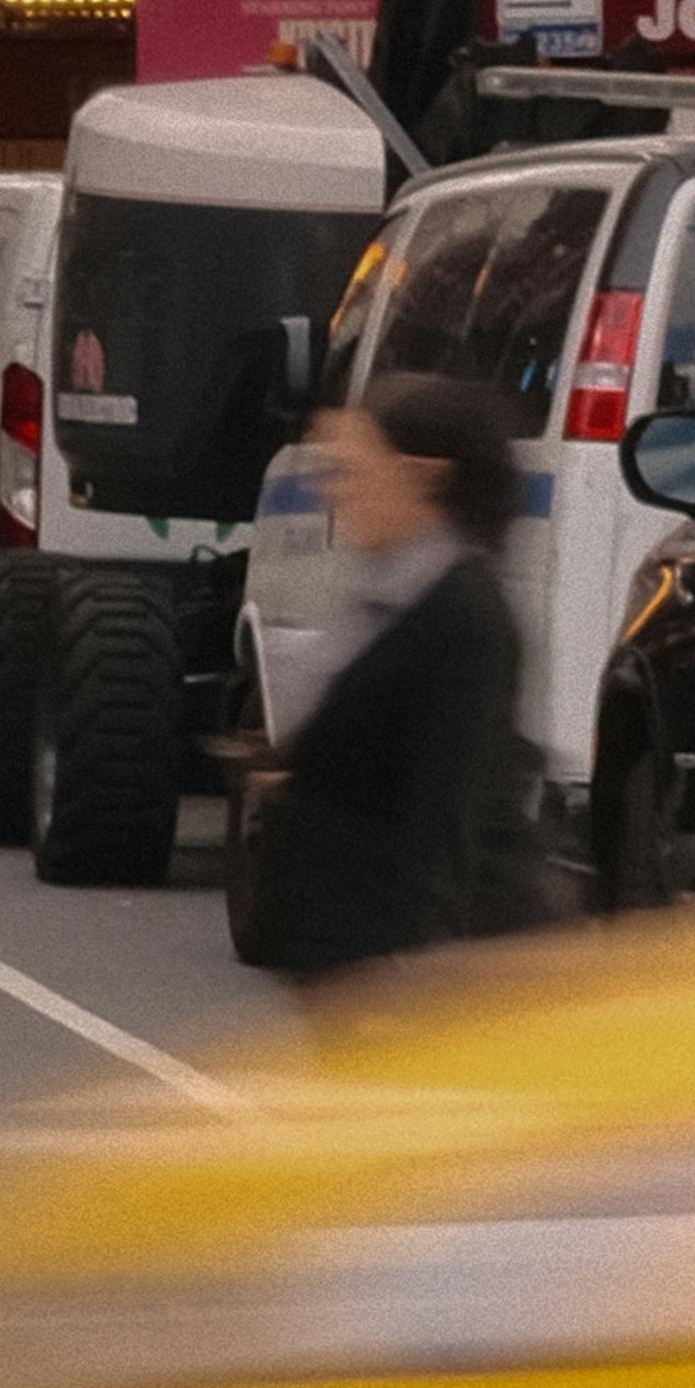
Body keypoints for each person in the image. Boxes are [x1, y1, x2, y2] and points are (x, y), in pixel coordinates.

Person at [242, 373, 534, 983]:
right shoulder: (386, 588)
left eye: (352, 470)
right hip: (344, 956)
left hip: (396, 977)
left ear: (423, 475)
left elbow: (447, 811)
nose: (330, 492)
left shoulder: (464, 615)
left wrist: (418, 970)